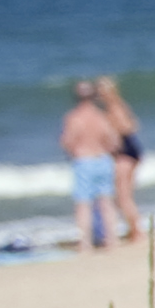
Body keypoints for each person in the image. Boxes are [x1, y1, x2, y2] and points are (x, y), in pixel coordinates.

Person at [61, 78, 123, 252]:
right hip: (103, 160)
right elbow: (113, 141)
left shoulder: (74, 118)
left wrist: (74, 151)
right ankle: (112, 240)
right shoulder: (100, 116)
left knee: (84, 204)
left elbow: (68, 141)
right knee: (106, 202)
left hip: (84, 160)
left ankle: (85, 243)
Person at [98, 74, 146, 242]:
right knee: (126, 195)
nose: (100, 93)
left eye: (102, 90)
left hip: (125, 151)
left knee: (123, 196)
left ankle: (137, 231)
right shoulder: (119, 105)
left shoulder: (113, 108)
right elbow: (134, 124)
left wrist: (112, 142)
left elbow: (126, 128)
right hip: (132, 149)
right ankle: (134, 229)